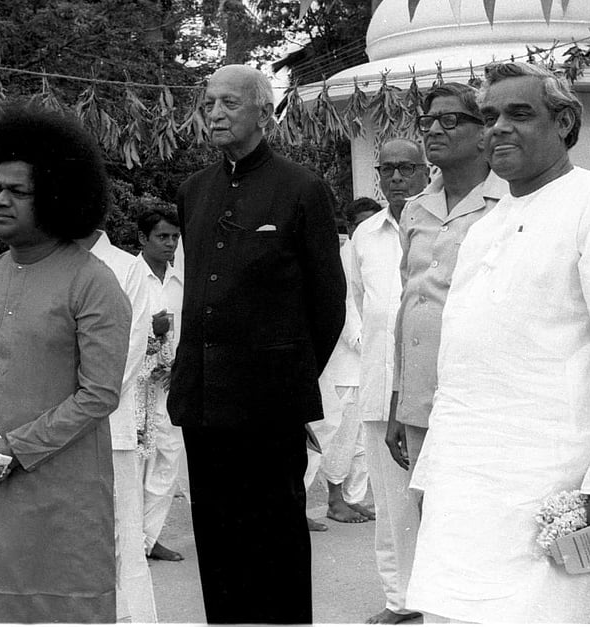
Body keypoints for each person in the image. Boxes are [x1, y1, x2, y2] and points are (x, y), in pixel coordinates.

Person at [405, 62, 590, 623]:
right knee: (453, 614)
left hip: (553, 476)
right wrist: (432, 472)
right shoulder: (486, 226)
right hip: (465, 477)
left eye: (519, 114)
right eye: (490, 116)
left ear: (565, 122)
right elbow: (460, 365)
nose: (499, 128)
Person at [166, 64, 345, 624]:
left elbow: (327, 304)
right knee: (216, 536)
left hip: (270, 401)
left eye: (229, 104)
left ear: (263, 113)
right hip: (203, 397)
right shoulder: (194, 190)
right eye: (210, 103)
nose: (215, 113)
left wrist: (286, 374)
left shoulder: (301, 187)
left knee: (276, 535)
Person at [0, 106, 130, 623]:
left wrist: (18, 447)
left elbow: (99, 393)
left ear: (55, 197)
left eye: (18, 192)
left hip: (62, 493)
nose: (0, 201)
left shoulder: (93, 282)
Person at [386, 82, 507, 494]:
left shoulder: (508, 205)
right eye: (429, 121)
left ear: (483, 133)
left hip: (484, 402)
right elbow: (409, 309)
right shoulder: (416, 209)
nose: (434, 130)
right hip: (420, 401)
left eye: (450, 120)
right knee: (426, 516)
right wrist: (397, 405)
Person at [352, 138, 428, 624]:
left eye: (407, 168)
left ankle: (445, 595)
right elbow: (357, 304)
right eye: (388, 169)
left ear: (426, 172)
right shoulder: (364, 236)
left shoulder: (447, 226)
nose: (397, 177)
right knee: (392, 504)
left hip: (438, 391)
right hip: (381, 390)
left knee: (442, 500)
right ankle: (401, 601)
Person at [75, 222, 157, 622]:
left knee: (125, 542)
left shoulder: (127, 269)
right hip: (52, 435)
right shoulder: (51, 264)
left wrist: (73, 410)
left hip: (110, 426)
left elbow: (128, 355)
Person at [305, 198, 382, 531]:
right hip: (345, 363)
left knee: (363, 437)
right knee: (334, 436)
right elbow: (345, 308)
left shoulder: (382, 250)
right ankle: (331, 500)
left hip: (372, 363)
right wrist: (369, 345)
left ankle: (352, 497)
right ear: (349, 226)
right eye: (362, 222)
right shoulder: (342, 255)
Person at [135, 205, 187, 561]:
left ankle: (148, 539)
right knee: (136, 462)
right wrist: (148, 349)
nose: (170, 244)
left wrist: (176, 366)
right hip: (134, 386)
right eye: (162, 237)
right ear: (143, 238)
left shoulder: (181, 281)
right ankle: (129, 542)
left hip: (171, 385)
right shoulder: (127, 276)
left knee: (167, 460)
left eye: (174, 237)